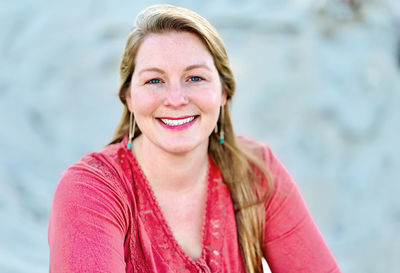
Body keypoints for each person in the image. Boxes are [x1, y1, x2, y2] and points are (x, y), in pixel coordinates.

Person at [48, 4, 341, 273]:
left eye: (195, 78)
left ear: (224, 92)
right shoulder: (91, 190)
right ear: (129, 98)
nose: (176, 99)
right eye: (154, 81)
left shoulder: (255, 171)